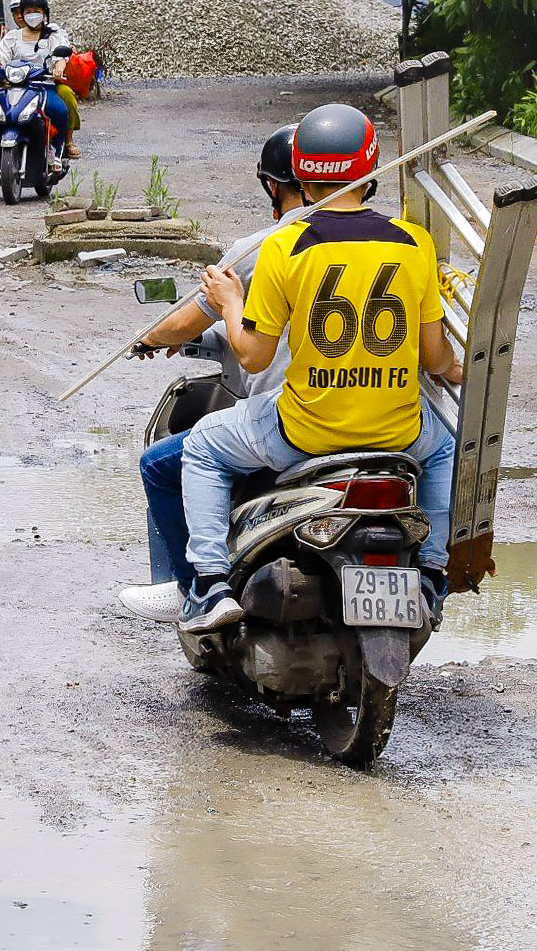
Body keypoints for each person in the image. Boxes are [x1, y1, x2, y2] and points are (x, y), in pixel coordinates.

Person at [178, 103, 464, 633]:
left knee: (201, 446)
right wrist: (459, 369)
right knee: (446, 444)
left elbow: (252, 356)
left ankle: (210, 584)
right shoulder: (414, 244)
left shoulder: (284, 247)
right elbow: (436, 357)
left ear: (298, 177)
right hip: (395, 433)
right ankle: (432, 574)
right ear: (370, 171)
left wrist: (229, 300)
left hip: (305, 434)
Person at [117, 125, 305, 623]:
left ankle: (194, 584)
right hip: (384, 421)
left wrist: (156, 335)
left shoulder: (263, 248)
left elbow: (247, 349)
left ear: (273, 185)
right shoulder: (385, 241)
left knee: (163, 463)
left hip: (296, 419)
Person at [0, 0, 79, 159]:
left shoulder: (53, 36)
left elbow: (60, 57)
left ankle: (58, 150)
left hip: (44, 87)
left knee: (60, 110)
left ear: (44, 13)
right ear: (21, 14)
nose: (32, 15)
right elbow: (1, 57)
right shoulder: (12, 37)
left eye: (37, 11)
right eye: (28, 11)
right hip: (14, 87)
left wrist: (58, 69)